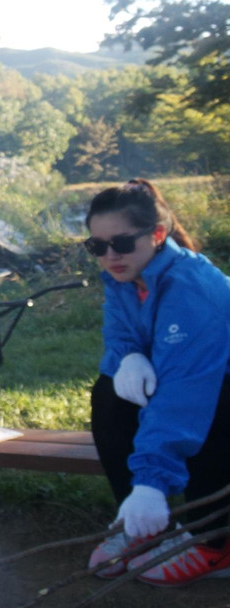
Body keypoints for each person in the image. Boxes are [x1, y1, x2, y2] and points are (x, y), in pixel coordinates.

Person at [83, 179, 230, 586]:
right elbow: (119, 335)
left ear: (158, 235)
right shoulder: (125, 279)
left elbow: (185, 396)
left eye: (122, 243)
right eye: (97, 246)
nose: (110, 256)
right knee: (110, 392)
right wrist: (127, 357)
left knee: (216, 405)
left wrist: (151, 480)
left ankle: (214, 542)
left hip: (210, 394)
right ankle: (142, 523)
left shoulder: (191, 290)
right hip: (191, 387)